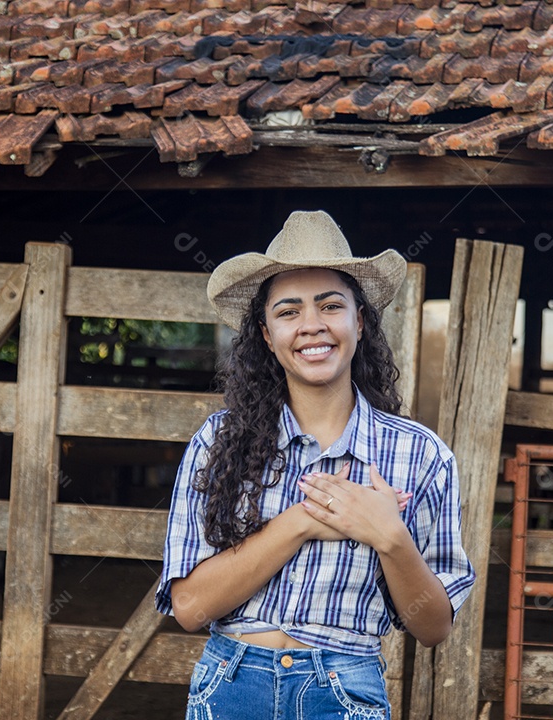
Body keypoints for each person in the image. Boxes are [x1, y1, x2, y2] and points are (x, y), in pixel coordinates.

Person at [155, 210, 475, 719]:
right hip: (231, 687)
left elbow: (433, 627)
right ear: (264, 333)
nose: (312, 326)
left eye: (331, 305)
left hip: (344, 691)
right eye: (288, 311)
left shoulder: (421, 456)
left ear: (360, 321)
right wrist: (303, 521)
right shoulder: (218, 442)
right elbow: (190, 609)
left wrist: (389, 536)